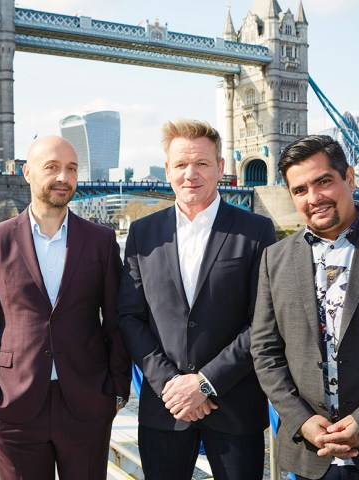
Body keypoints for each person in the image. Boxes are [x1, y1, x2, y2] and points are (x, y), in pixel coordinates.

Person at [117, 118, 276, 479]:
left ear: (220, 168)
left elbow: (264, 321)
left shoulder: (256, 230)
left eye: (202, 163)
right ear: (167, 170)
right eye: (181, 164)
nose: (191, 174)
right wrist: (171, 386)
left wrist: (204, 383)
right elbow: (130, 316)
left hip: (234, 406)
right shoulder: (144, 233)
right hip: (165, 407)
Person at [0, 135, 131, 480]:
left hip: (87, 403)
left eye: (71, 168)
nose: (63, 176)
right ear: (28, 172)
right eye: (52, 167)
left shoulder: (101, 241)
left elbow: (117, 321)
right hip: (14, 406)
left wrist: (117, 390)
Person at [251, 134, 359, 480]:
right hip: (307, 456)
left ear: (348, 177)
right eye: (300, 190)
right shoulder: (275, 258)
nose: (314, 198)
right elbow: (265, 352)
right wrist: (300, 419)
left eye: (323, 182)